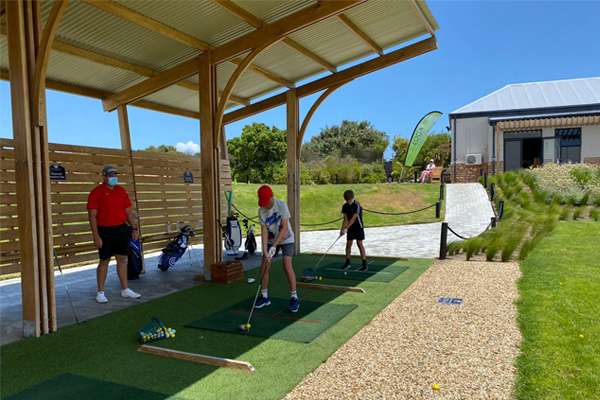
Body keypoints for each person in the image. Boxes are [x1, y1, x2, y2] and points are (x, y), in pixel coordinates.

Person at [87, 165, 141, 303]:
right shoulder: (96, 192)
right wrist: (96, 236)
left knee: (122, 259)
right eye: (110, 175)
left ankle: (125, 289)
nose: (113, 177)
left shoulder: (121, 190)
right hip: (104, 231)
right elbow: (92, 216)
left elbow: (128, 212)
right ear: (104, 176)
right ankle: (100, 292)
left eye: (115, 175)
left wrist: (135, 228)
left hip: (121, 230)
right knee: (104, 261)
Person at [255, 185, 300, 313]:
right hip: (271, 240)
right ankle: (264, 297)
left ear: (271, 196)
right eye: (263, 203)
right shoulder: (261, 211)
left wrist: (274, 246)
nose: (265, 205)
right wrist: (265, 251)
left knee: (286, 264)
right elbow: (264, 232)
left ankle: (294, 297)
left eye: (266, 202)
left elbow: (284, 228)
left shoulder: (281, 205)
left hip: (286, 239)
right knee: (265, 265)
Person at [340, 190, 368, 271]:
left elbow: (353, 219)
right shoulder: (345, 206)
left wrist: (346, 228)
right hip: (350, 228)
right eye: (347, 199)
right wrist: (342, 229)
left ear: (352, 197)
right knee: (348, 244)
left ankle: (364, 264)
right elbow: (345, 219)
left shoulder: (357, 205)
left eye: (349, 199)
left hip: (358, 227)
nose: (348, 201)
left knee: (359, 244)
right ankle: (347, 263)